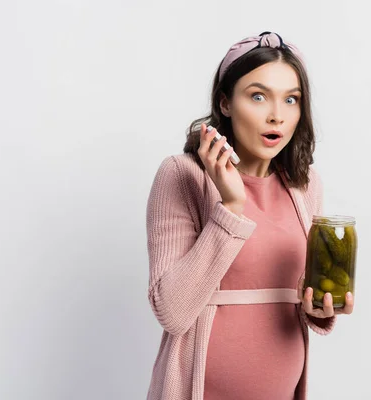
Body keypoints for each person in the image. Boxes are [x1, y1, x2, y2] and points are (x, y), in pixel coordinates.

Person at [145, 31, 355, 400]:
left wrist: (318, 309)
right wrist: (231, 206)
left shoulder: (305, 186)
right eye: (258, 96)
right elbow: (172, 311)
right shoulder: (182, 175)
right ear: (225, 103)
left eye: (291, 100)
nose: (277, 115)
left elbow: (293, 296)